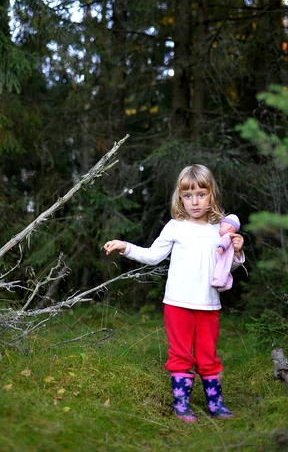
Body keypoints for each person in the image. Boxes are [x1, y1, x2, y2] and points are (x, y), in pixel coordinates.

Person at [104, 164, 245, 422]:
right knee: (181, 354)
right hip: (178, 304)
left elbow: (227, 269)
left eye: (201, 194)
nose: (194, 201)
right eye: (187, 195)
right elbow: (153, 256)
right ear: (180, 197)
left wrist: (236, 252)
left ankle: (216, 405)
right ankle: (181, 405)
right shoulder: (175, 226)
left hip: (209, 305)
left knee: (208, 355)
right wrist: (126, 247)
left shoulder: (220, 230)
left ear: (212, 194)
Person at [211, 214, 241, 290]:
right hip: (225, 258)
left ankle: (220, 282)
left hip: (222, 257)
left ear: (229, 227)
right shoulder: (230, 236)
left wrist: (221, 247)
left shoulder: (227, 236)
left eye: (221, 226)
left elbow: (225, 242)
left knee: (221, 270)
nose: (219, 229)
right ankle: (226, 284)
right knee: (225, 272)